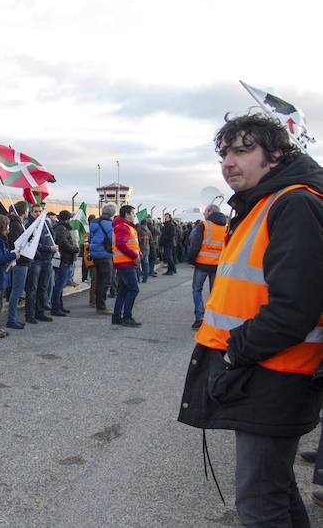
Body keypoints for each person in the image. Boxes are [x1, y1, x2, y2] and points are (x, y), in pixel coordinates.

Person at [178, 113, 323, 526]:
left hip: (275, 373)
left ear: (275, 155)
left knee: (260, 506)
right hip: (268, 372)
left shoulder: (293, 203)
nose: (229, 163)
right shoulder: (262, 203)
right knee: (275, 492)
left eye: (243, 151)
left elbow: (294, 306)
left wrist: (234, 352)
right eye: (224, 154)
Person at [186, 204, 227, 330]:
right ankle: (213, 319)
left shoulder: (204, 225)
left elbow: (195, 244)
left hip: (202, 264)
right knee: (214, 292)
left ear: (210, 212)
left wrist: (191, 260)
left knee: (197, 290)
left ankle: (199, 317)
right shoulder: (226, 227)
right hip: (218, 265)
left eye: (205, 212)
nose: (204, 214)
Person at [24, 205, 58, 324]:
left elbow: (52, 237)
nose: (38, 213)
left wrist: (53, 247)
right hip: (36, 260)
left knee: (43, 287)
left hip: (47, 260)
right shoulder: (29, 226)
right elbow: (32, 244)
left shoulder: (46, 224)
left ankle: (40, 312)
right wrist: (49, 248)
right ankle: (30, 314)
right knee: (32, 288)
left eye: (40, 211)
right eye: (35, 211)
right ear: (31, 213)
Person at [111, 205, 142, 328]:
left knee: (123, 290)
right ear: (127, 214)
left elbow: (129, 244)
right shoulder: (123, 227)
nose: (134, 216)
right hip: (126, 262)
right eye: (133, 213)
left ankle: (117, 316)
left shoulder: (124, 226)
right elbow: (121, 244)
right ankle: (127, 316)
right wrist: (134, 256)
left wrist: (137, 254)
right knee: (133, 289)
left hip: (125, 262)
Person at [5, 203, 30, 330]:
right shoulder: (16, 225)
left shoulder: (17, 224)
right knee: (17, 291)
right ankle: (12, 319)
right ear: (24, 211)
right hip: (20, 262)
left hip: (21, 261)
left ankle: (13, 318)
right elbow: (17, 244)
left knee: (17, 291)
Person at [88, 204, 116, 315]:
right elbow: (113, 240)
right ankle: (101, 306)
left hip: (95, 254)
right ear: (112, 213)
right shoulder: (109, 225)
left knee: (99, 280)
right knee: (105, 281)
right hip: (105, 254)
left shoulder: (94, 223)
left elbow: (89, 238)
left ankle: (97, 303)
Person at [50, 210, 78, 316]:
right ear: (68, 219)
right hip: (64, 259)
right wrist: (74, 249)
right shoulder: (61, 228)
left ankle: (59, 306)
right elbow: (63, 243)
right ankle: (56, 307)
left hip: (65, 258)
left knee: (60, 285)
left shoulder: (61, 227)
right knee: (59, 284)